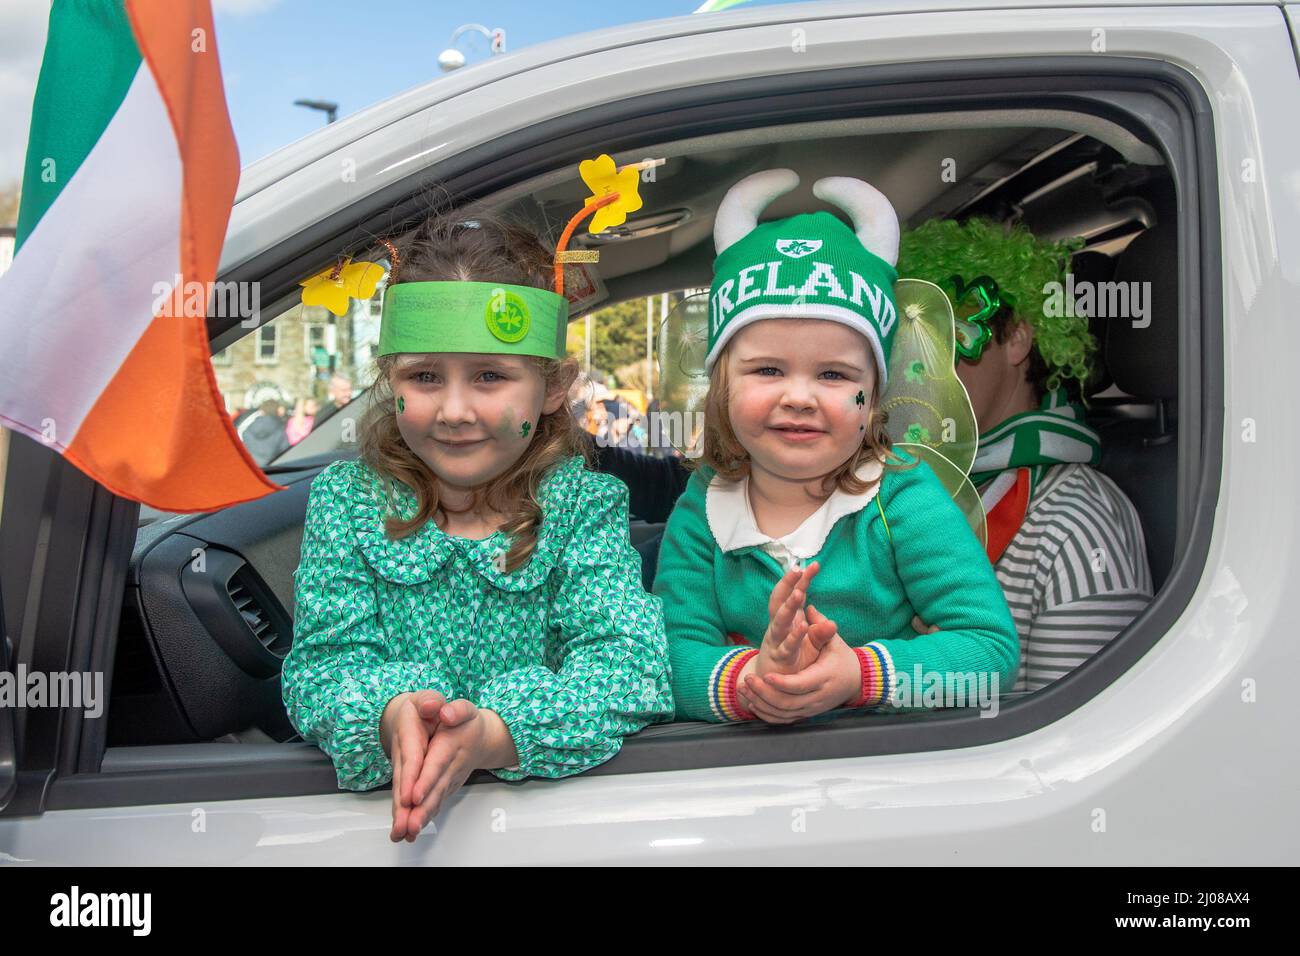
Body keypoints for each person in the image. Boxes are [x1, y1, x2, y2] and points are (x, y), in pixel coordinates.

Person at [280, 210, 673, 842]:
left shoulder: (583, 507)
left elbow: (630, 666)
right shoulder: (347, 501)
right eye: (424, 376)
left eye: (490, 375)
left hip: (553, 836)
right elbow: (322, 667)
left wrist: (495, 733)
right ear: (390, 379)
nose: (455, 410)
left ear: (552, 386)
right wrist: (389, 714)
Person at [653, 169, 1018, 724]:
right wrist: (750, 679)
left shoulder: (900, 498)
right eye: (768, 369)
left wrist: (859, 676)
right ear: (721, 384)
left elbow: (990, 653)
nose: (799, 397)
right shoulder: (701, 509)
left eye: (833, 375)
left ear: (872, 398)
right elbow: (668, 658)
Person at [896, 218, 1152, 692]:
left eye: (946, 340)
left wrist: (944, 683)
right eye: (907, 349)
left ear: (1016, 338)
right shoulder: (916, 490)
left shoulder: (1072, 524)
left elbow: (1081, 738)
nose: (920, 372)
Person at [235, 398, 289, 466]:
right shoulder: (280, 430)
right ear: (277, 411)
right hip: (272, 469)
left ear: (262, 411)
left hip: (252, 468)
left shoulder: (248, 430)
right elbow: (285, 452)